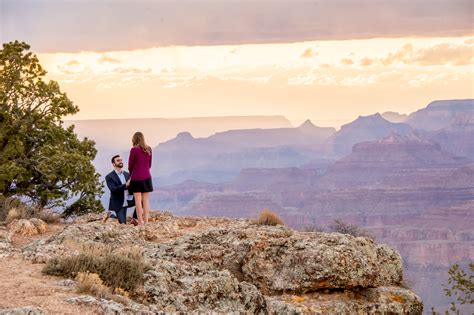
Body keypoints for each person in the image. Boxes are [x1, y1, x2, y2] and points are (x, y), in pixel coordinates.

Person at [128, 132, 153, 225]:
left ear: (134, 139)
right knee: (145, 201)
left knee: (138, 201)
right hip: (147, 177)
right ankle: (146, 222)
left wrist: (131, 174)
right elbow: (149, 164)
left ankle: (140, 223)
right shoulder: (149, 149)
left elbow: (130, 165)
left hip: (136, 178)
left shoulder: (134, 150)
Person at [105, 155, 138, 225]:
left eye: (121, 160)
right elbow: (113, 189)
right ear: (113, 164)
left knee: (141, 201)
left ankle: (134, 218)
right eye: (118, 160)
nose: (120, 161)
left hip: (129, 200)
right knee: (123, 224)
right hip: (118, 203)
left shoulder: (127, 174)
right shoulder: (109, 177)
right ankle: (112, 215)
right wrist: (125, 185)